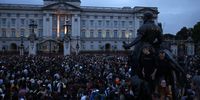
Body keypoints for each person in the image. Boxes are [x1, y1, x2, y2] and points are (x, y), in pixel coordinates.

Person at [123, 11, 162, 76]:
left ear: (146, 18)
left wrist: (128, 45)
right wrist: (153, 44)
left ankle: (134, 73)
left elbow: (138, 38)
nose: (143, 19)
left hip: (142, 46)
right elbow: (160, 40)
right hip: (152, 45)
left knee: (133, 58)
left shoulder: (144, 26)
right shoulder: (158, 28)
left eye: (143, 18)